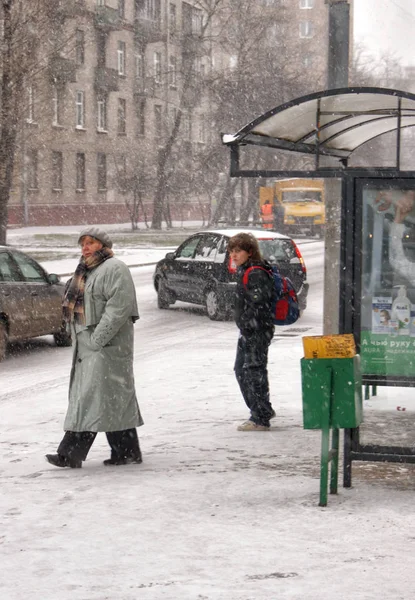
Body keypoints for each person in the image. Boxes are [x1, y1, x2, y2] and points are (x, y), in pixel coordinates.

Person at [45, 227, 143, 468]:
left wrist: (98, 339)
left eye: (90, 242)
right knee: (111, 399)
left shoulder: (114, 268)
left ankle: (70, 455)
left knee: (94, 399)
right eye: (83, 243)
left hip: (106, 347)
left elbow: (119, 307)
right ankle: (127, 451)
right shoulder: (85, 270)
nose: (85, 247)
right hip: (88, 347)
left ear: (103, 245)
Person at [228, 233, 276, 431]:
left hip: (256, 330)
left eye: (238, 251)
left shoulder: (255, 272)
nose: (233, 255)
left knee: (252, 371)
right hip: (251, 330)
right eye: (231, 251)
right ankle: (262, 409)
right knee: (244, 370)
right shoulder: (247, 269)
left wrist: (247, 323)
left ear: (249, 252)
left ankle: (260, 418)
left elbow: (259, 304)